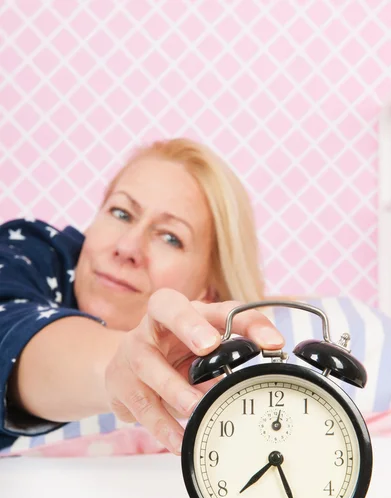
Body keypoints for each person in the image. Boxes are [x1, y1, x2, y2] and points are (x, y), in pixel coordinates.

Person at [0, 138, 284, 455]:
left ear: (209, 291)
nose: (128, 247)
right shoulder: (25, 256)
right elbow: (8, 332)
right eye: (121, 213)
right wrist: (120, 364)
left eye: (169, 237)